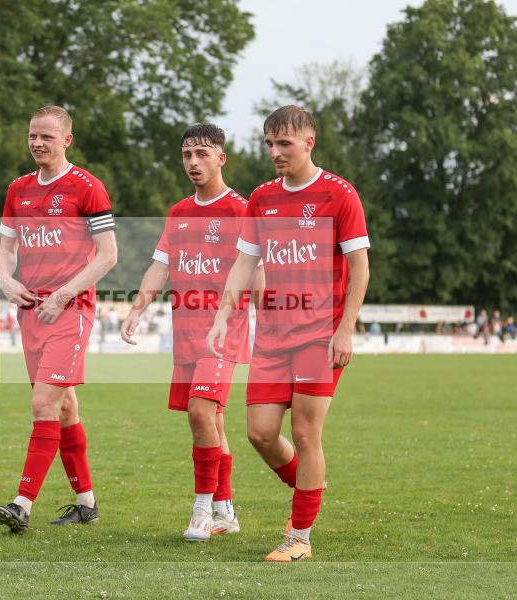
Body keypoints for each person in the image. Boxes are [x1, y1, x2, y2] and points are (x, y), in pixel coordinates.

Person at [206, 106, 370, 562]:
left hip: (320, 336)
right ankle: (309, 485)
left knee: (304, 432)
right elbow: (245, 262)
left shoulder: (339, 195)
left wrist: (346, 329)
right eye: (269, 144)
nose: (275, 152)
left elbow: (360, 267)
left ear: (308, 143)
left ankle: (299, 536)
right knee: (260, 434)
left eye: (284, 144)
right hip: (273, 336)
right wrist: (222, 314)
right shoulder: (261, 198)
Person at [121, 123, 261, 541]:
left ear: (222, 157)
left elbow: (259, 274)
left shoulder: (242, 211)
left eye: (202, 154)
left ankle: (201, 509)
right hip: (185, 333)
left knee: (202, 412)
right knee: (210, 420)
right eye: (187, 155)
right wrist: (136, 309)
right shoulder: (179, 212)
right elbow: (160, 266)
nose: (194, 162)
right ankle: (225, 510)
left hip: (223, 333)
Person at [0, 106, 118, 534]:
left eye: (46, 136)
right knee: (63, 407)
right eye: (32, 136)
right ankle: (86, 503)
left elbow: (108, 255)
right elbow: (5, 248)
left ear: (67, 140)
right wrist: (5, 281)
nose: (37, 143)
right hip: (31, 311)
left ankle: (21, 503)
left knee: (43, 403)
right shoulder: (18, 189)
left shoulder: (87, 187)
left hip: (70, 311)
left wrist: (64, 295)